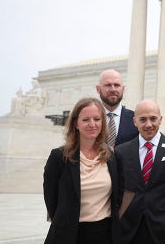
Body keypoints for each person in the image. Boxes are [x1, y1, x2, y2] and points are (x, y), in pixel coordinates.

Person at [43, 97, 120, 244]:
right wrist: (65, 222)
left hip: (105, 235)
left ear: (103, 122)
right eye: (86, 120)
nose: (92, 124)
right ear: (75, 123)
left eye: (97, 119)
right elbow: (51, 199)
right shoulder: (59, 157)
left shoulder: (111, 156)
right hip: (69, 235)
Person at [115, 100, 165, 244]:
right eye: (143, 119)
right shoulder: (121, 152)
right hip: (128, 231)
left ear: (161, 119)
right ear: (134, 121)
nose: (148, 124)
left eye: (153, 118)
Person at [96, 69, 139, 147]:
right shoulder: (90, 119)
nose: (113, 89)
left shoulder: (136, 119)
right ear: (98, 89)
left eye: (117, 85)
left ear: (123, 89)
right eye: (108, 85)